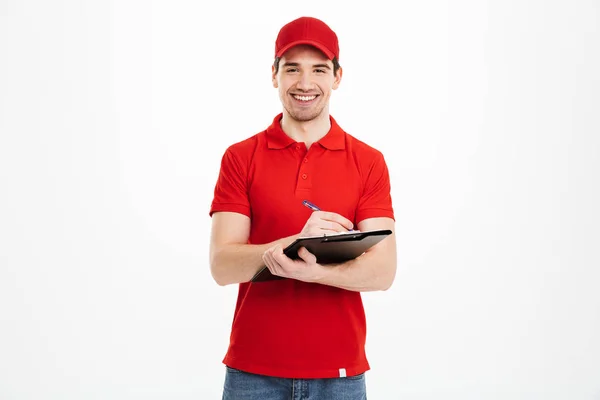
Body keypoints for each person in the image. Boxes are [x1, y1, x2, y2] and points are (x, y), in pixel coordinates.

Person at [209, 15, 397, 400]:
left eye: (319, 69)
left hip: (340, 375)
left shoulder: (368, 161)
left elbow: (383, 271)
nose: (306, 83)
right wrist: (295, 242)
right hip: (252, 371)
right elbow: (222, 265)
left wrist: (312, 273)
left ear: (337, 77)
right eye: (292, 69)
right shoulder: (240, 157)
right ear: (274, 75)